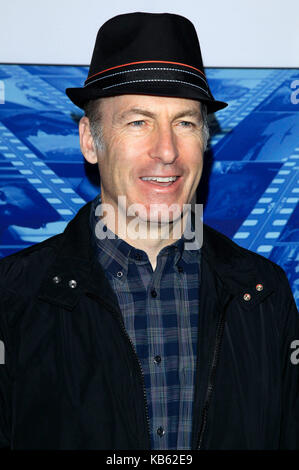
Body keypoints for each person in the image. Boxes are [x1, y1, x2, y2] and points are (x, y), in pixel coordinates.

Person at [0, 12, 298, 450]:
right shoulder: (12, 297)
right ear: (90, 140)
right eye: (138, 121)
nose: (166, 150)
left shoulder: (264, 294)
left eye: (185, 122)